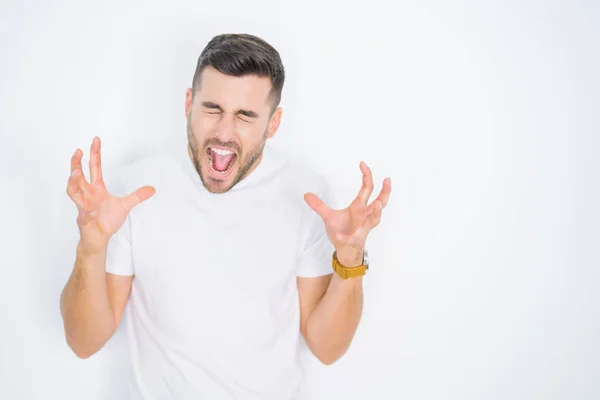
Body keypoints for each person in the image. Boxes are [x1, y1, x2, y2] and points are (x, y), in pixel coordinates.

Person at [59, 33, 391, 399]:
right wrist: (91, 249)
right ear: (189, 102)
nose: (223, 132)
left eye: (245, 115)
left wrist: (349, 258)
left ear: (274, 123)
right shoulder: (133, 190)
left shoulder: (307, 197)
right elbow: (84, 343)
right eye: (212, 108)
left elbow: (327, 349)